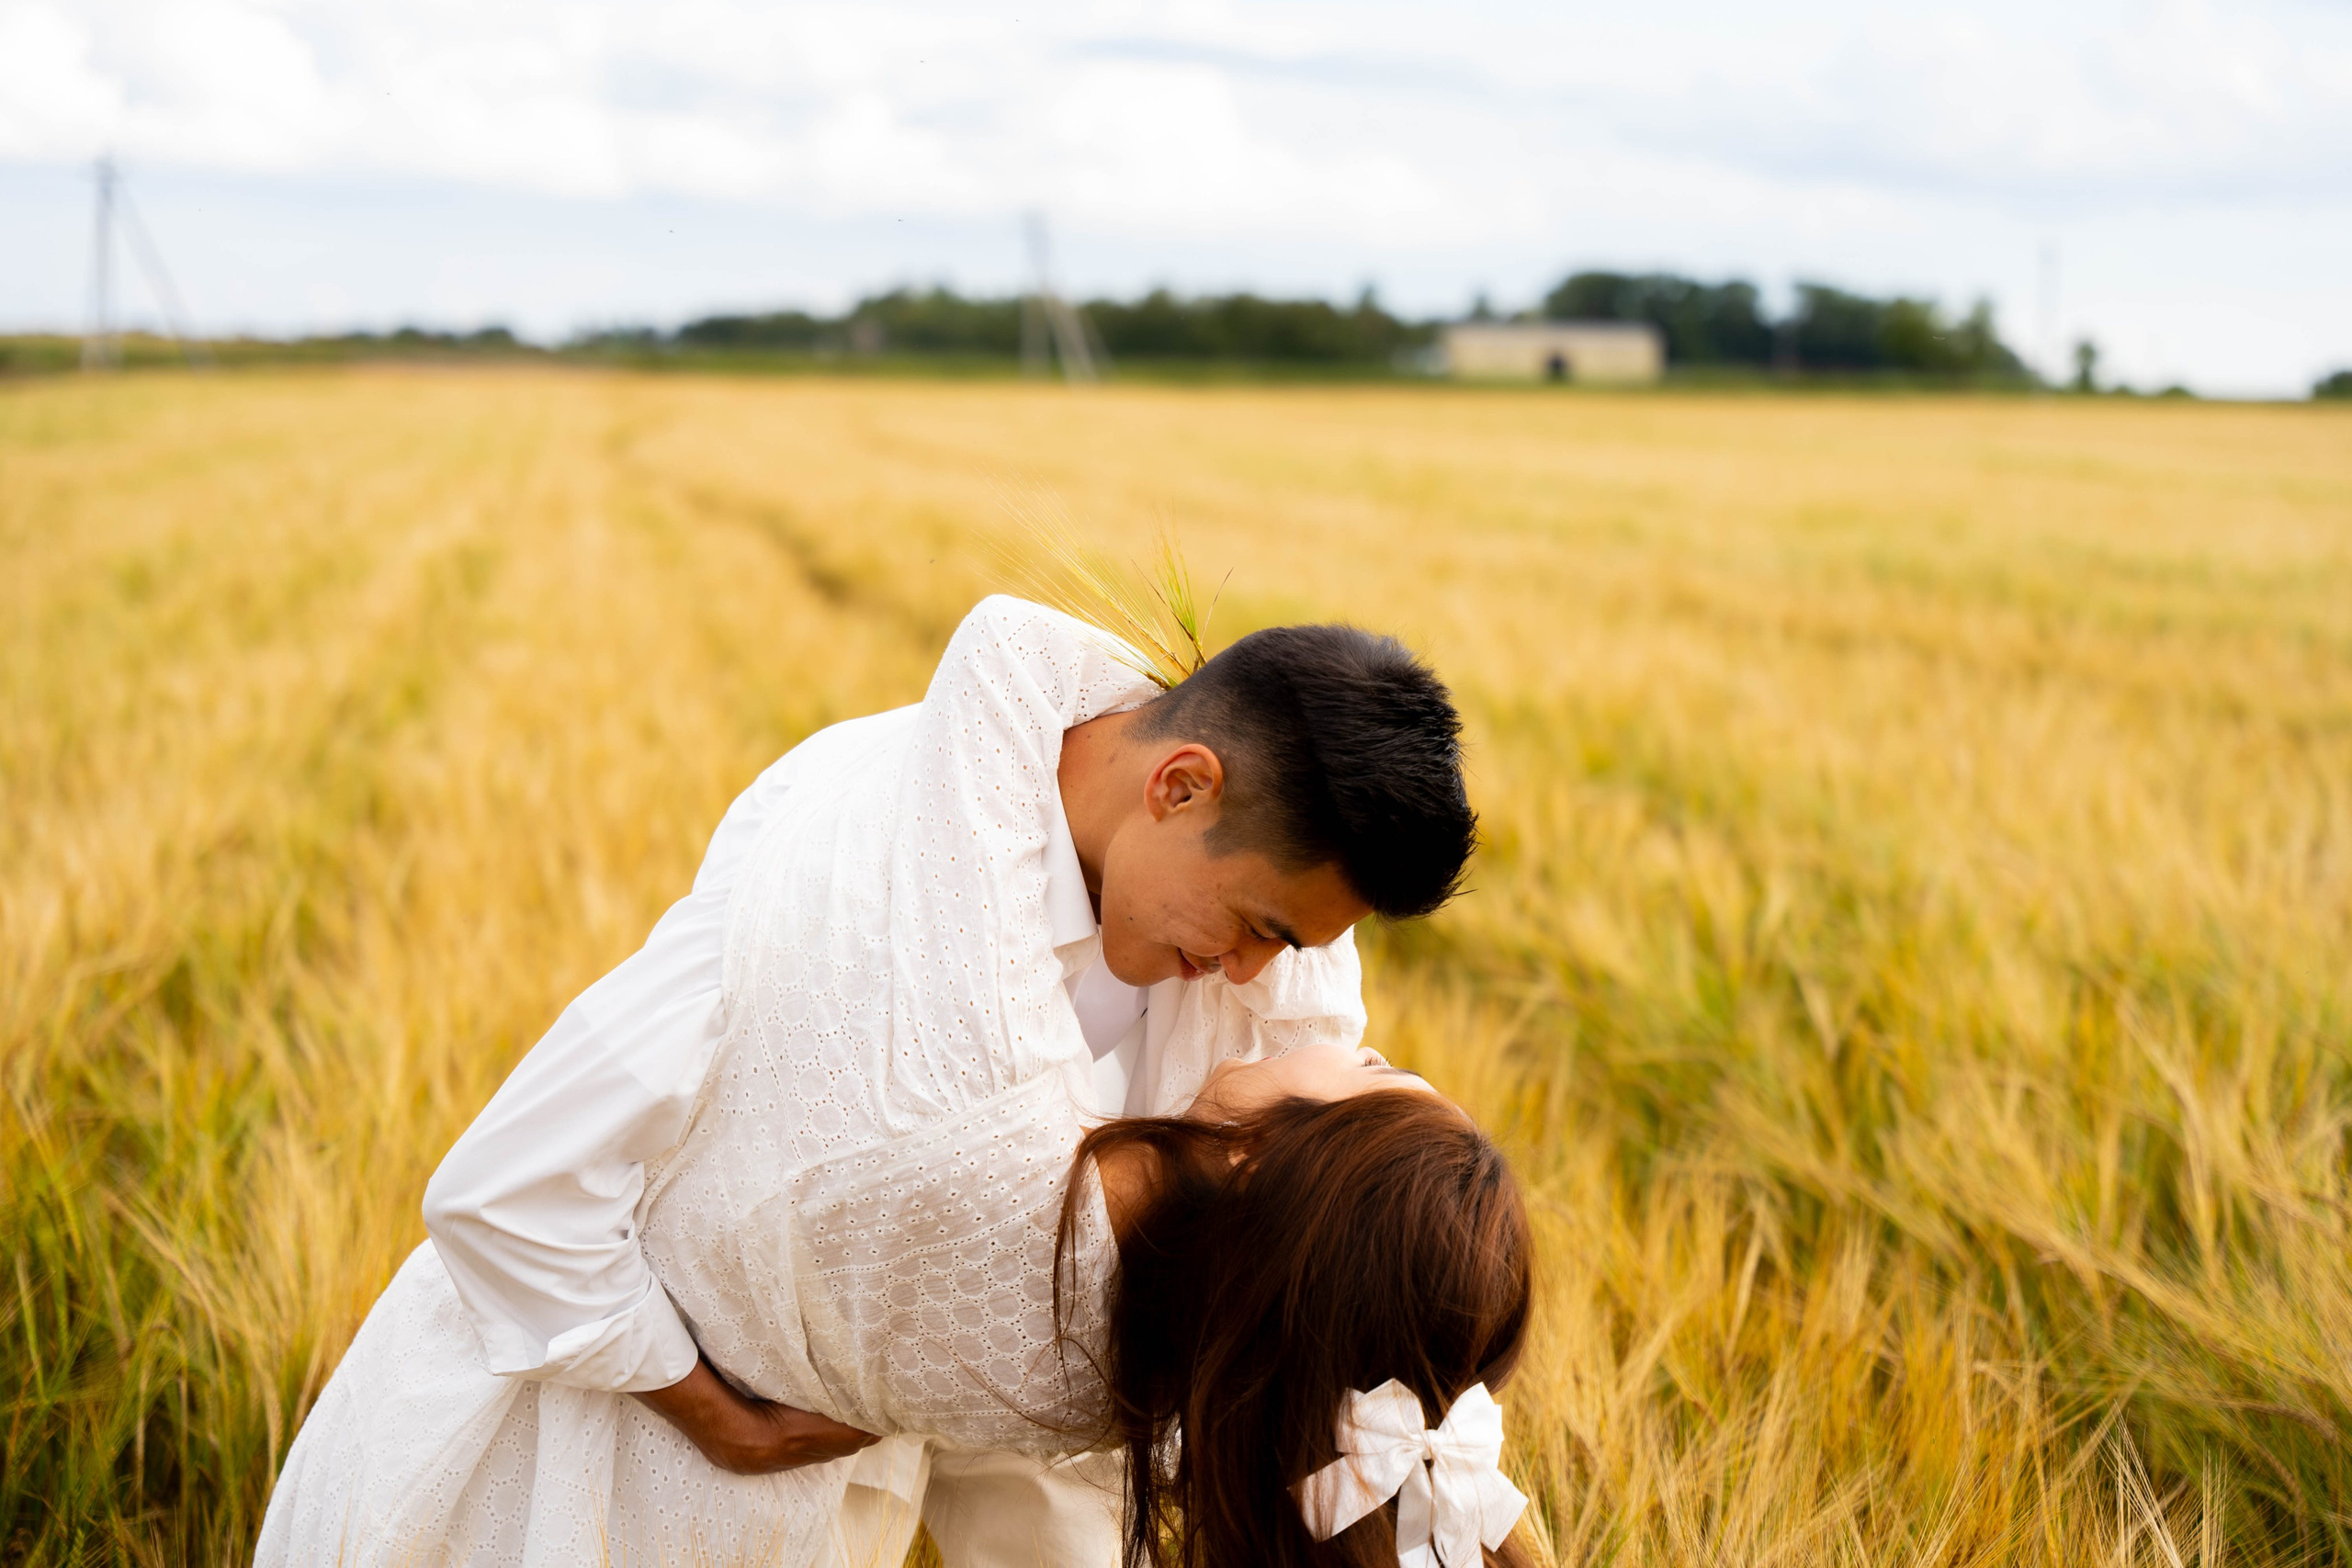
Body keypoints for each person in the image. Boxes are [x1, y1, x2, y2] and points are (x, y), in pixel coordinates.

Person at [254, 596, 1514, 1567]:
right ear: (1180, 785)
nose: (1251, 975)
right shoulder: (851, 873)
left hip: (809, 1525)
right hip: (531, 1479)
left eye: (1289, 947)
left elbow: (1048, 1338)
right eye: (1255, 924)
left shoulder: (1252, 1015)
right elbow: (505, 1190)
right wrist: (707, 1408)